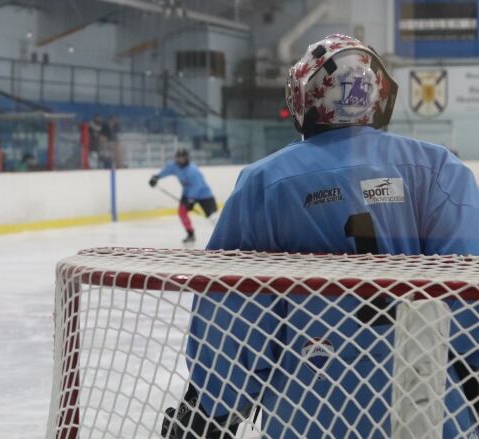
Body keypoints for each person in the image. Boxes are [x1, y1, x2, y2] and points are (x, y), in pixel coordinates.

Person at [164, 34, 479, 439]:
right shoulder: (438, 168)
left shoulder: (265, 182)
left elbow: (233, 313)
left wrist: (213, 410)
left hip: (309, 411)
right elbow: (468, 297)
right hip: (431, 410)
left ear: (303, 98)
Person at [149, 149, 217, 243]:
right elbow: (167, 170)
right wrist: (157, 177)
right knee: (182, 212)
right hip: (187, 193)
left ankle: (223, 235)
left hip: (204, 194)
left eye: (182, 157)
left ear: (186, 158)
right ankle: (190, 234)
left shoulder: (192, 170)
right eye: (178, 157)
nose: (179, 160)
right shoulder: (174, 165)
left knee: (212, 216)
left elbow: (197, 186)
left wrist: (191, 200)